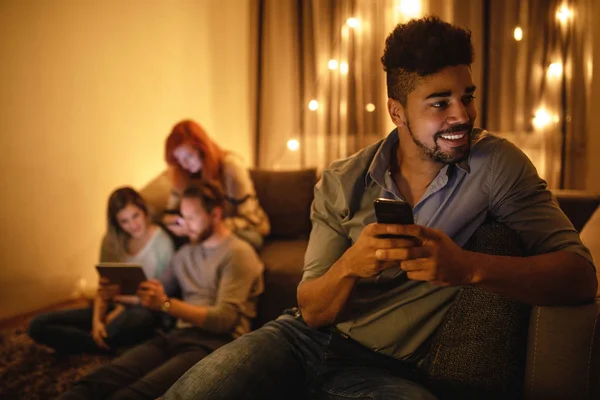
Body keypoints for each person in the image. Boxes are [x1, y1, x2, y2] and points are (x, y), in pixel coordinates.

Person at [162, 16, 597, 400]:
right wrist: (351, 264)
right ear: (397, 111)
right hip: (299, 340)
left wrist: (465, 267)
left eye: (467, 96)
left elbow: (580, 276)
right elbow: (311, 310)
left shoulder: (497, 165)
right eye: (440, 102)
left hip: (383, 371)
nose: (462, 115)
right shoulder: (341, 180)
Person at [58, 180, 264, 400]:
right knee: (98, 380)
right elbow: (155, 292)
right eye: (183, 216)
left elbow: (225, 320)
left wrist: (166, 304)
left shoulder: (238, 254)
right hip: (175, 334)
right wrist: (115, 294)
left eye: (192, 217)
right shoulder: (185, 253)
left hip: (213, 344)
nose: (185, 224)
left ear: (215, 214)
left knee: (131, 395)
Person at [28, 187, 174, 354]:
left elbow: (160, 298)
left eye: (135, 216)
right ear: (117, 224)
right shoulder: (112, 241)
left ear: (144, 210)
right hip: (112, 306)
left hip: (142, 310)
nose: (133, 225)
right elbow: (104, 288)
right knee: (37, 325)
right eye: (124, 221)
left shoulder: (162, 243)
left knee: (139, 319)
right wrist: (98, 320)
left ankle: (90, 341)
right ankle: (100, 341)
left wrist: (117, 313)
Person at [163, 119, 270, 249]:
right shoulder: (182, 173)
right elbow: (167, 215)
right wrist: (178, 223)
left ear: (202, 149)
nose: (184, 165)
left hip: (244, 229)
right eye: (179, 160)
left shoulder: (231, 167)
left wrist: (208, 227)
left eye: (189, 156)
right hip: (203, 229)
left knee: (242, 242)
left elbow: (250, 219)